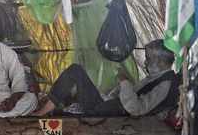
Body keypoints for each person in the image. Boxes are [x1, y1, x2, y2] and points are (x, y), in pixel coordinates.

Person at [33, 39, 180, 117]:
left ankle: (44, 111)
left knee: (75, 71)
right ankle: (49, 109)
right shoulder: (155, 78)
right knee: (74, 80)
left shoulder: (165, 84)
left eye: (148, 58)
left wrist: (124, 82)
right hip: (107, 107)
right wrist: (111, 93)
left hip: (109, 114)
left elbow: (136, 109)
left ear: (160, 61)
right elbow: (130, 97)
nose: (146, 62)